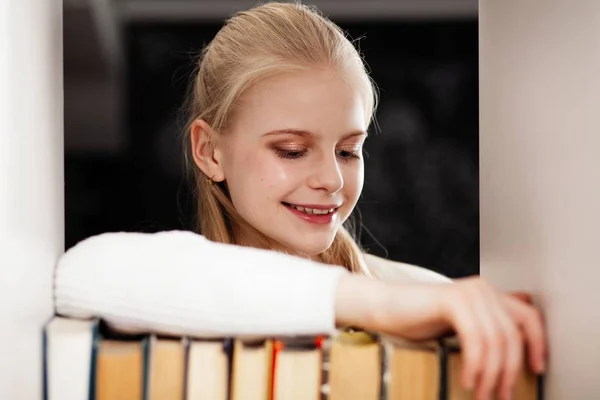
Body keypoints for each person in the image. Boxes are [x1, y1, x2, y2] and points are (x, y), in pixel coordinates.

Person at [54, 2, 547, 400]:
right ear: (209, 152)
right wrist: (373, 305)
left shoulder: (430, 298)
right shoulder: (401, 302)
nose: (331, 179)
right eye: (292, 150)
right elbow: (82, 271)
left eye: (349, 150)